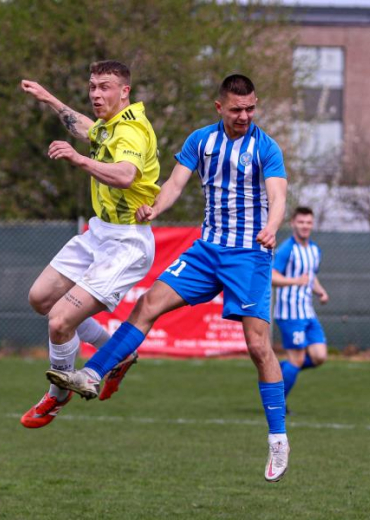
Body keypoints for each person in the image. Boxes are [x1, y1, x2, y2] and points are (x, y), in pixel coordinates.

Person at [47, 74, 291, 482]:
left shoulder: (266, 148)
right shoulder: (201, 141)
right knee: (146, 306)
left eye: (250, 108)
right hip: (206, 251)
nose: (244, 116)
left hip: (250, 255)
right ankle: (92, 373)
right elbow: (175, 183)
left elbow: (278, 195)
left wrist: (272, 226)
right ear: (220, 108)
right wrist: (156, 208)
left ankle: (278, 438)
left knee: (257, 346)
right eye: (236, 109)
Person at [18, 60, 160, 428]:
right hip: (99, 232)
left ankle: (57, 395)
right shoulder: (108, 126)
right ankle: (118, 355)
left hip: (127, 242)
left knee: (60, 321)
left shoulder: (130, 131)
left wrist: (78, 159)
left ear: (125, 91)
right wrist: (49, 98)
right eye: (93, 86)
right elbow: (86, 128)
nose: (97, 94)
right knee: (41, 298)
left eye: (106, 87)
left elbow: (126, 175)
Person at [271, 206, 329, 408]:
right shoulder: (287, 248)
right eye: (301, 222)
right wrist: (294, 281)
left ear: (312, 224)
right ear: (293, 223)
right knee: (296, 360)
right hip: (290, 313)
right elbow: (272, 276)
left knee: (319, 356)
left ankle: (275, 374)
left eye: (308, 222)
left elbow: (310, 277)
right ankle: (276, 402)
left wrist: (320, 291)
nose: (305, 226)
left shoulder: (314, 250)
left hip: (308, 312)